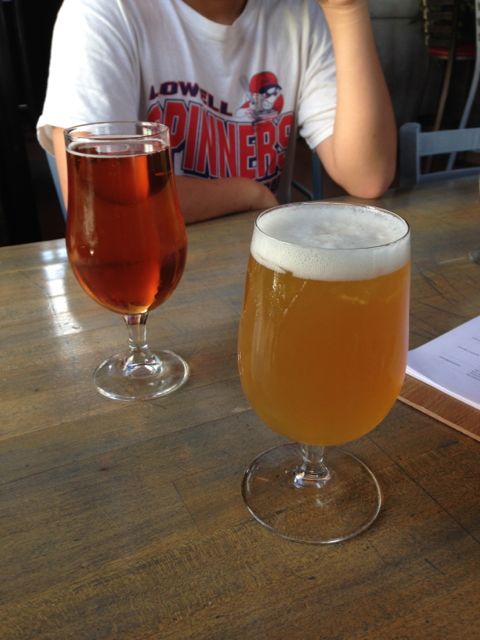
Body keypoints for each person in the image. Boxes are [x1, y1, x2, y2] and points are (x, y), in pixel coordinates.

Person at [37, 0, 397, 224]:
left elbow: (368, 176)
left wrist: (346, 9)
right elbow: (100, 199)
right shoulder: (101, 11)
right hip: (141, 281)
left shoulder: (300, 13)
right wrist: (248, 195)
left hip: (261, 273)